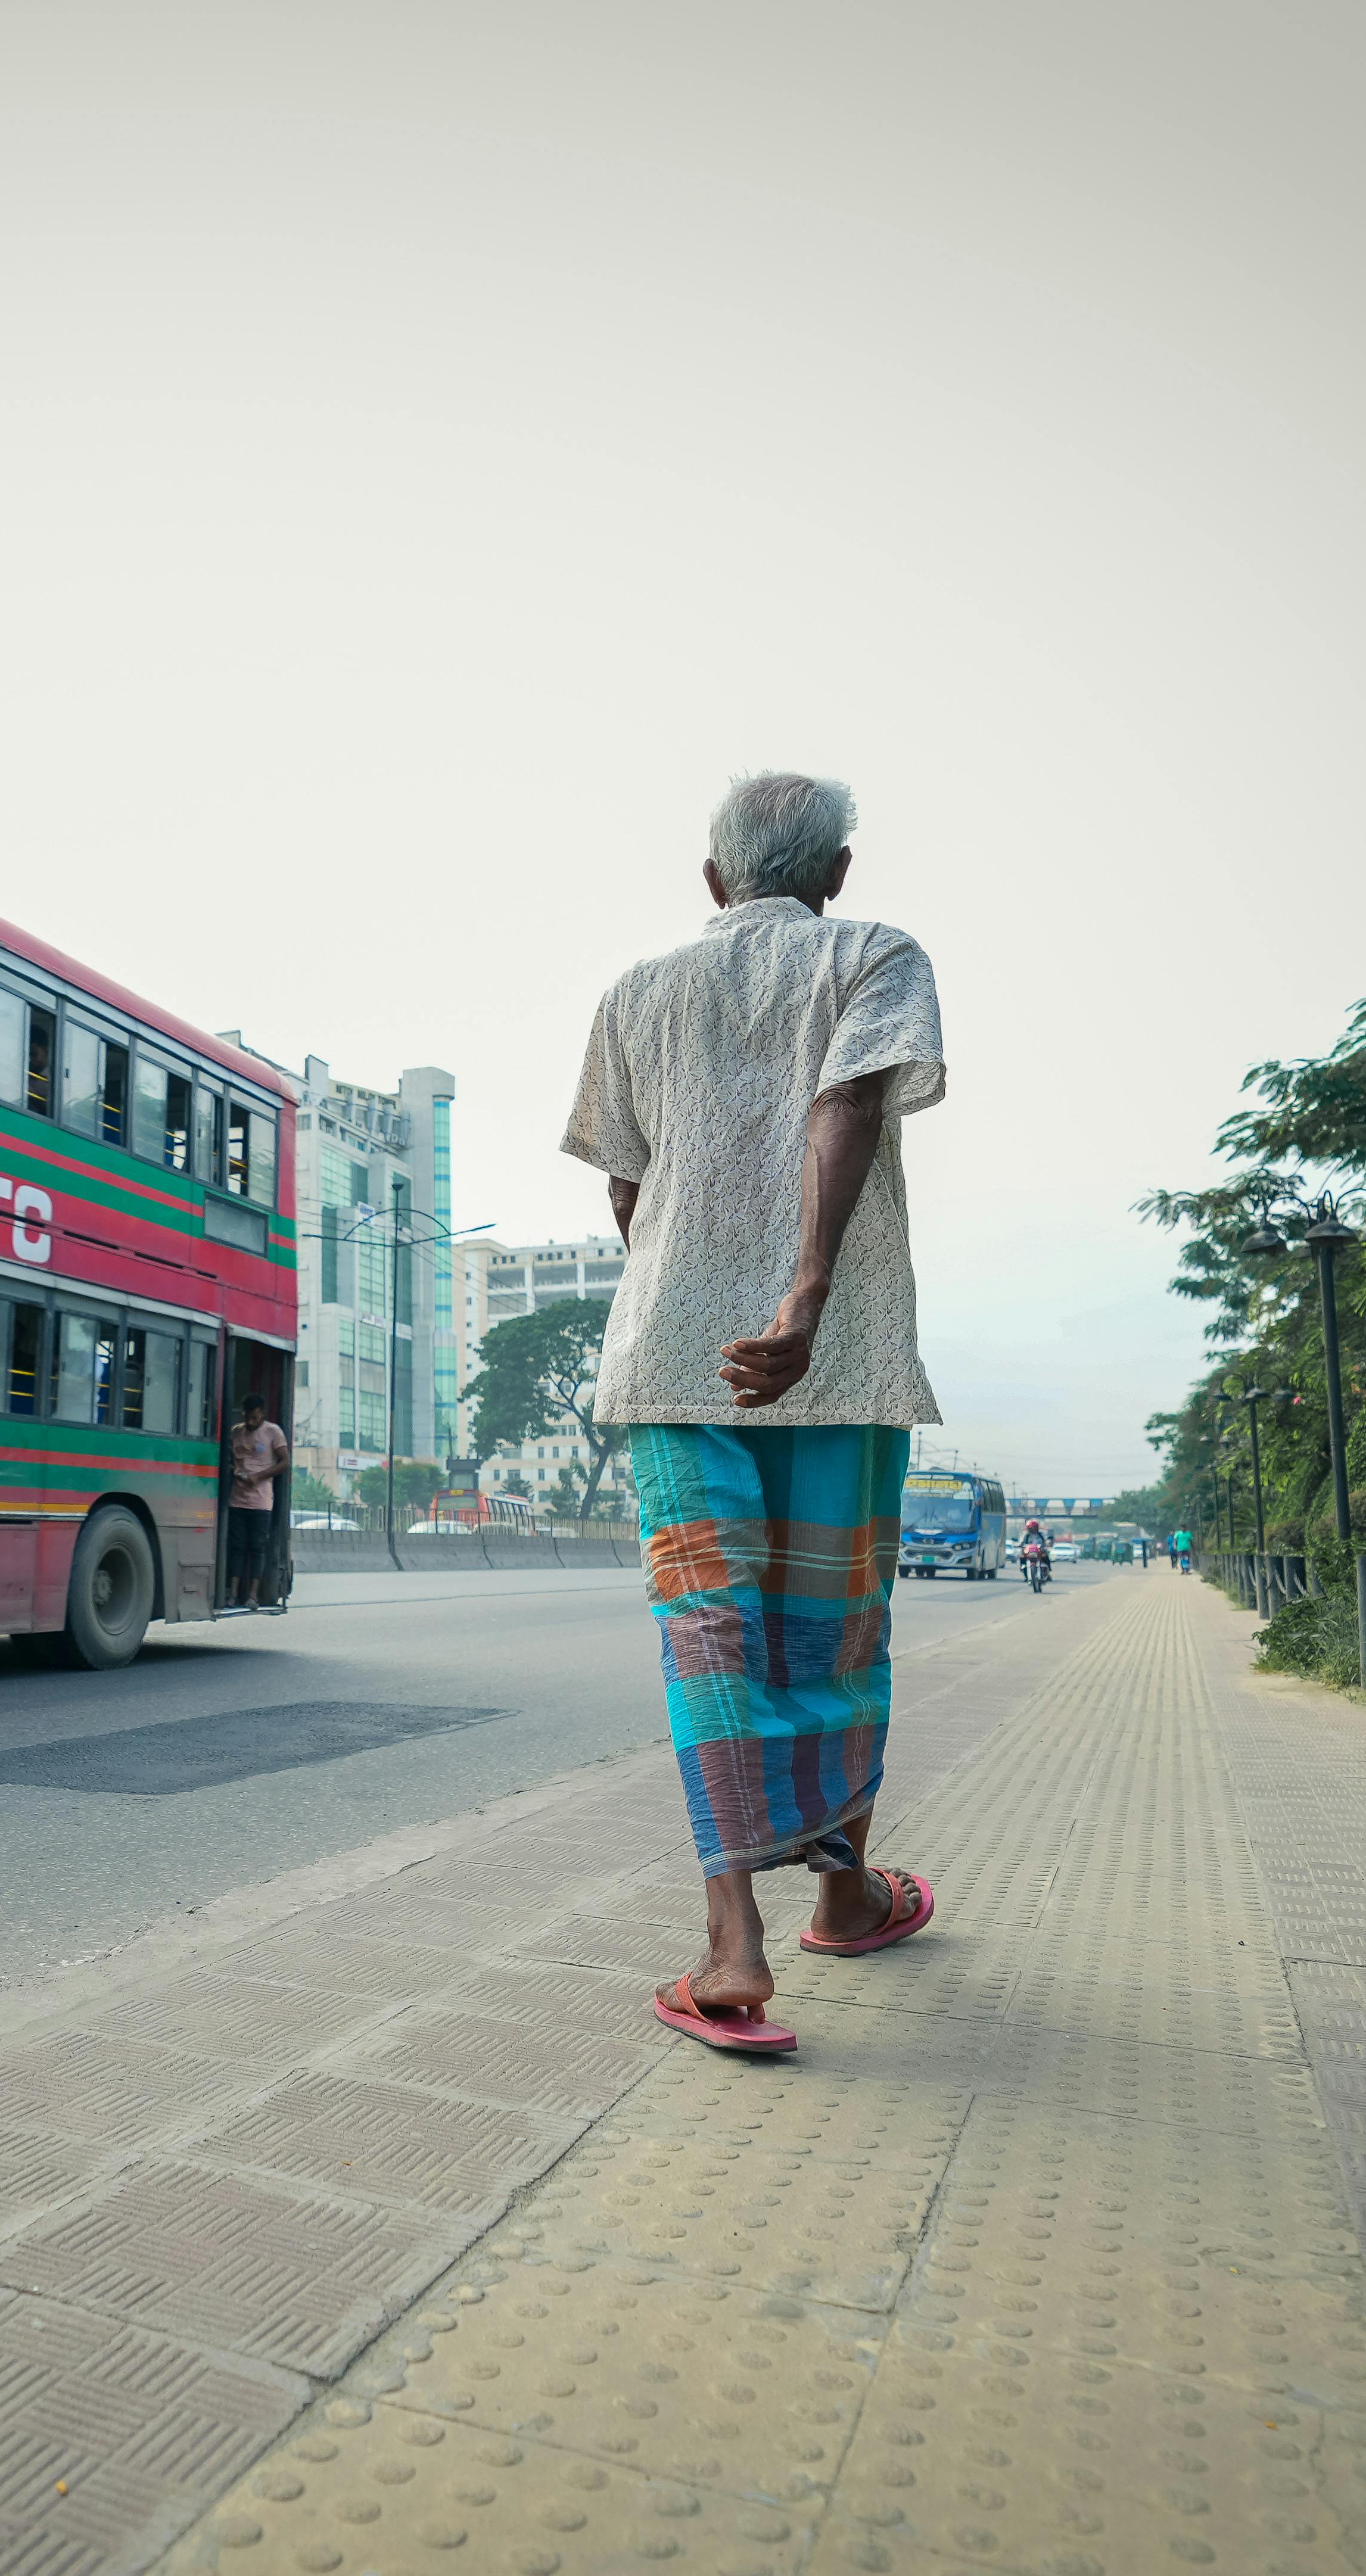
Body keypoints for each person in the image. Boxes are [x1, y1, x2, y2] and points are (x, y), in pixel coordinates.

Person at [565, 770, 945, 2058]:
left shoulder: (636, 989)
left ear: (713, 878)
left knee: (709, 1636)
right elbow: (845, 1102)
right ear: (833, 871)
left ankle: (737, 1946)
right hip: (834, 1357)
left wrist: (694, 1290)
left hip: (675, 1362)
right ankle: (845, 1891)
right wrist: (803, 1294)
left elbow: (629, 1188)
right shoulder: (874, 952)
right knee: (834, 1629)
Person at [221, 1394, 288, 1613]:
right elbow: (229, 1460)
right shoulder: (236, 1432)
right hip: (237, 1500)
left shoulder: (273, 1432)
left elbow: (285, 1462)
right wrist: (235, 1472)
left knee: (257, 1548)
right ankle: (232, 1593)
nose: (250, 1422)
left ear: (263, 1414)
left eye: (255, 1418)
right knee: (237, 1547)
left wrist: (259, 1477)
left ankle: (253, 1595)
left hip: (261, 1503)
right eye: (247, 1418)